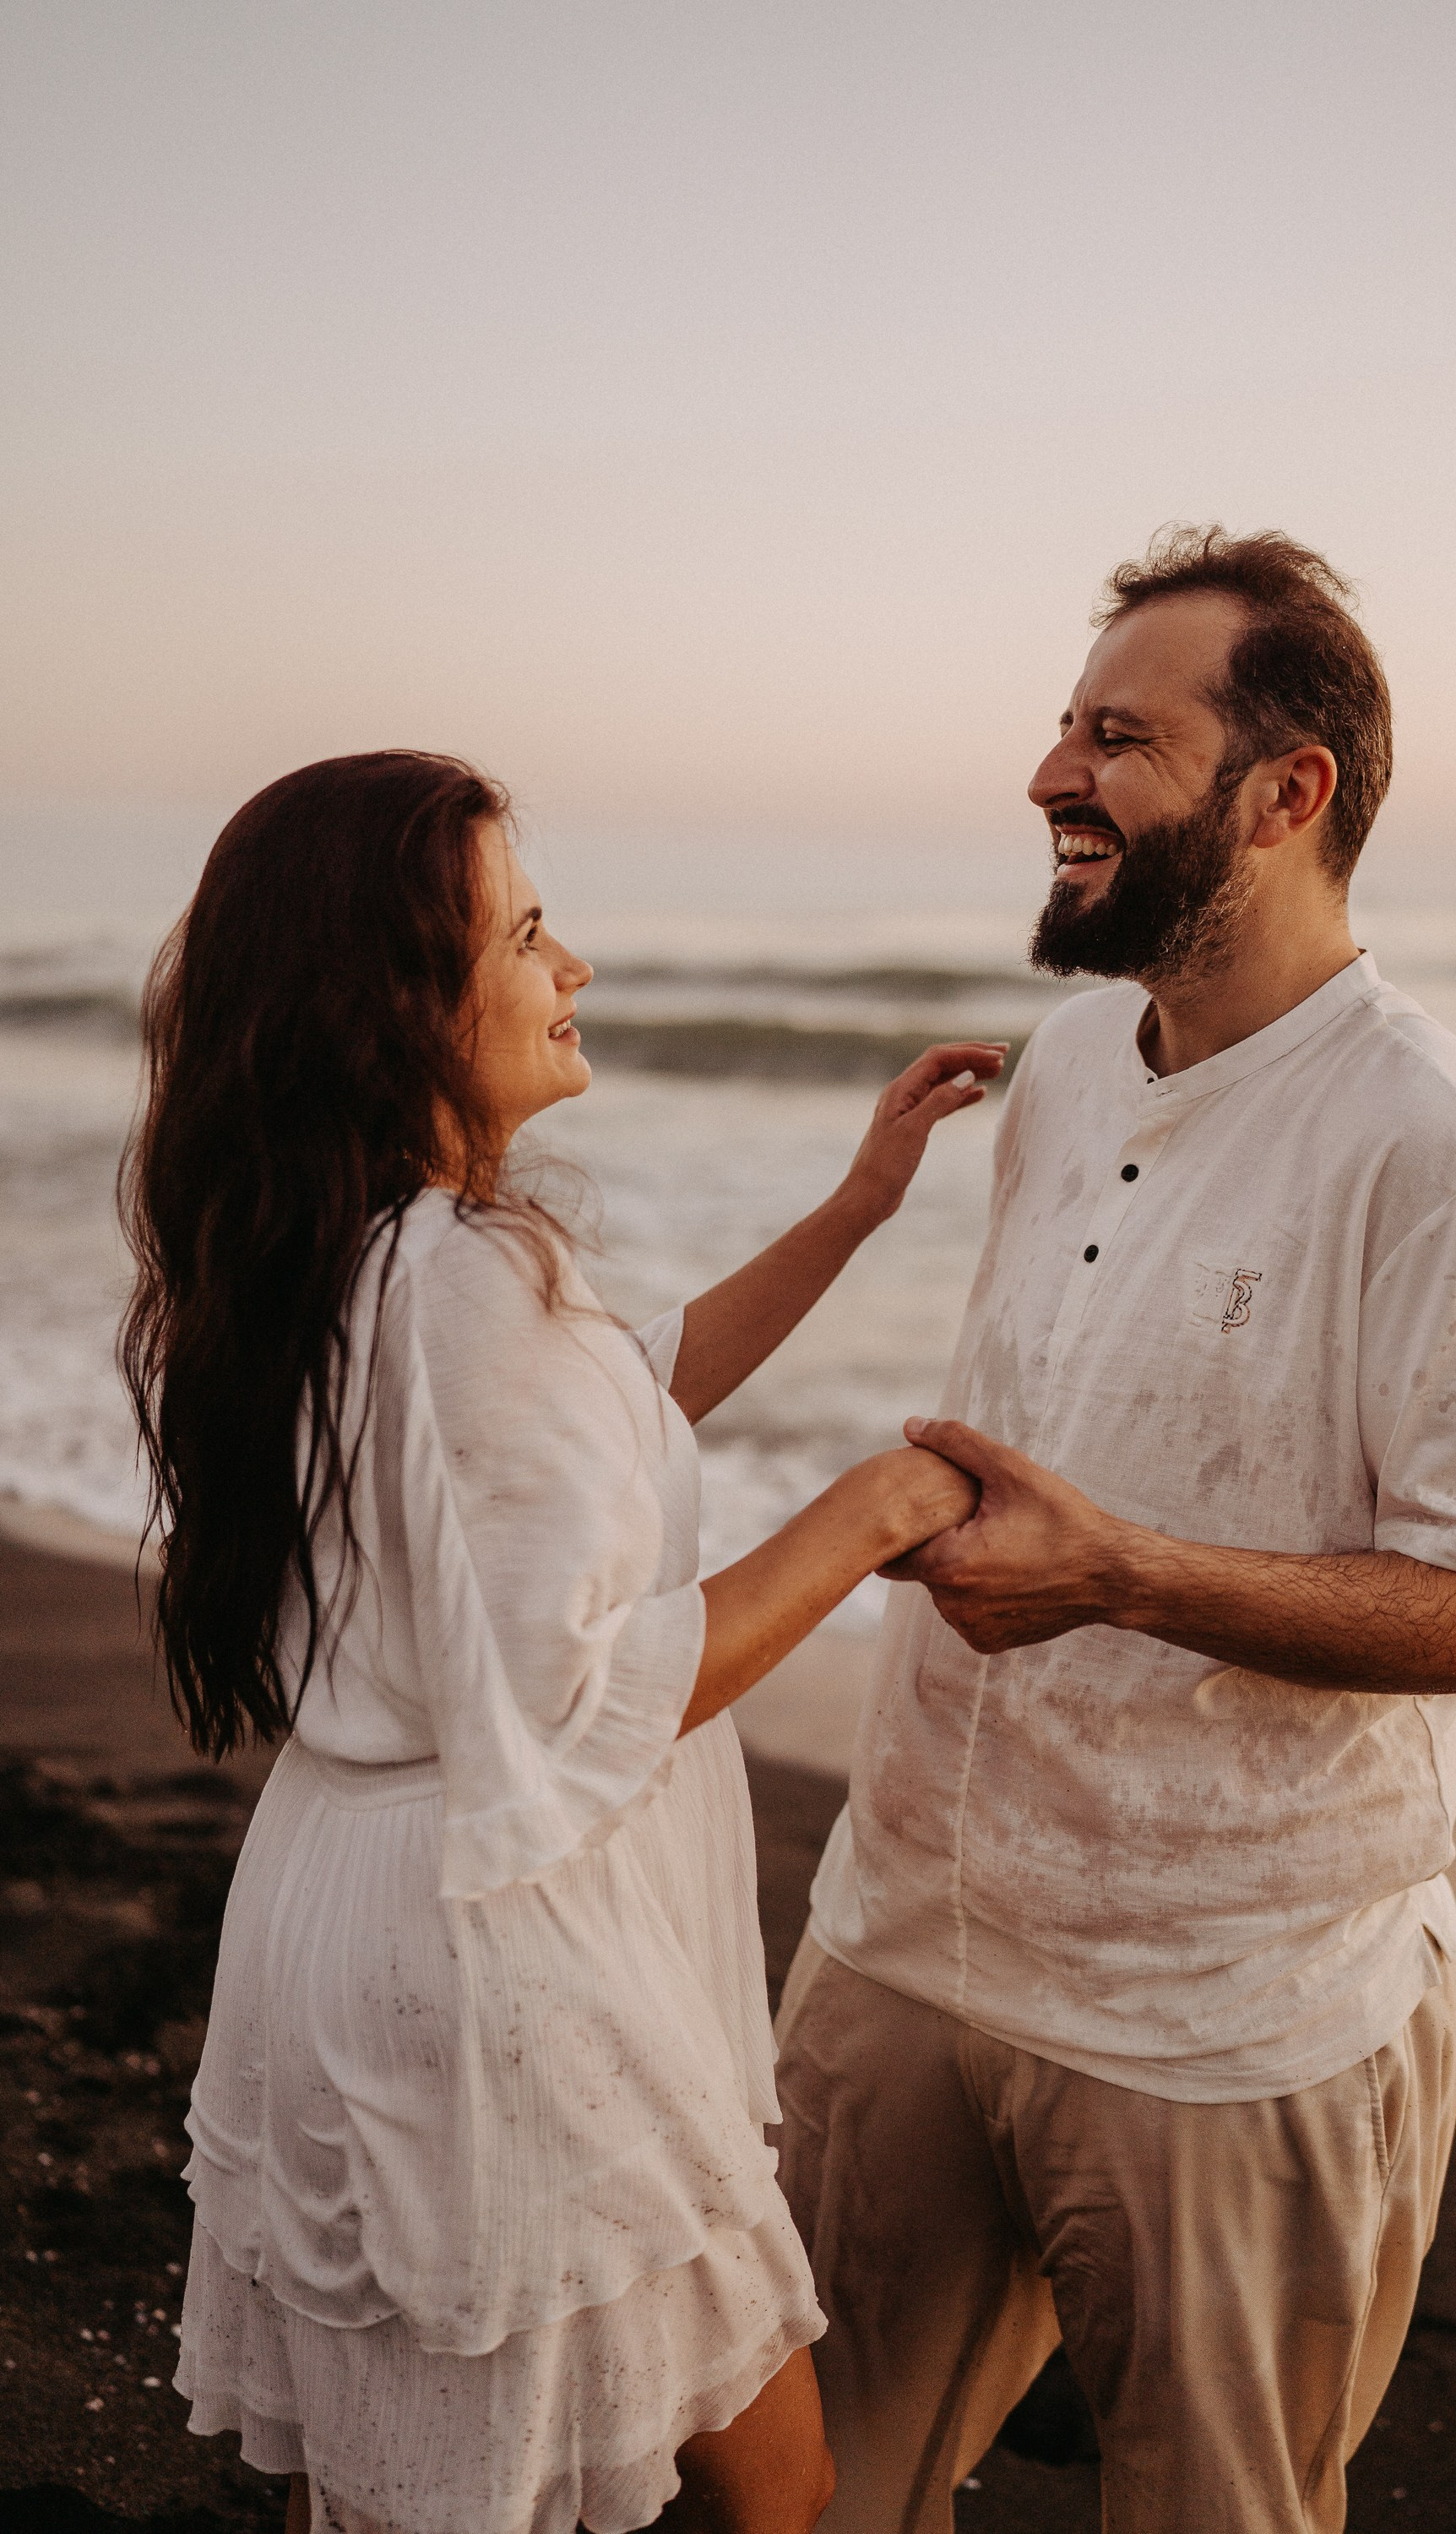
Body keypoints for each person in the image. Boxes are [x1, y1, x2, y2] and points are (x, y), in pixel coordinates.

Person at [774, 529, 1456, 2533]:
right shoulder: (1064, 1064)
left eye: (1117, 739)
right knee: (786, 2496)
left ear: (1285, 792)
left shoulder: (1434, 1146)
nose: (1052, 776)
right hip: (902, 1932)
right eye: (1065, 727)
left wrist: (1125, 1574)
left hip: (1222, 2015)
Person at [119, 750, 1002, 2534]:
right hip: (491, 1961)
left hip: (355, 1900)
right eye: (525, 931)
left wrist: (854, 1209)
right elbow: (595, 1697)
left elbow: (611, 1411)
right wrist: (880, 1509)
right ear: (394, 1003)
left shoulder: (344, 1252)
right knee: (778, 2485)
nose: (570, 966)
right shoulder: (457, 1288)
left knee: (411, 2471)